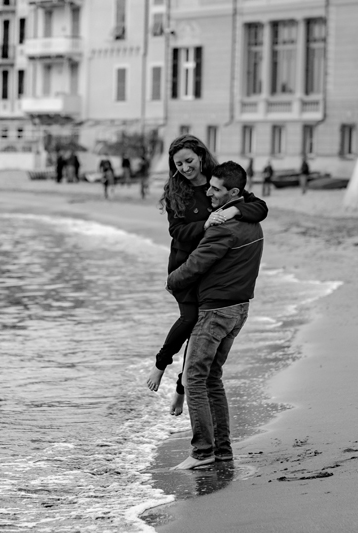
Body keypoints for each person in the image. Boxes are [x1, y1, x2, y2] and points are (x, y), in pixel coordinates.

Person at [145, 134, 267, 416]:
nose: (186, 168)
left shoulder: (218, 181)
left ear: (201, 156)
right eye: (179, 164)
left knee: (198, 333)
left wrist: (235, 209)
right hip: (184, 264)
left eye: (189, 161)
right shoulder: (175, 190)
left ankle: (180, 388)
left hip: (211, 268)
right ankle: (160, 364)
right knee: (189, 320)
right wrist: (206, 223)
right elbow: (176, 231)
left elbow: (259, 206)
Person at [166, 160, 265, 469]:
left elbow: (195, 265)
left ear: (233, 192)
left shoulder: (225, 228)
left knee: (195, 379)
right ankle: (221, 450)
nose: (208, 192)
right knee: (211, 379)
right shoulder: (251, 221)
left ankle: (203, 452)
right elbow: (256, 206)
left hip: (216, 311)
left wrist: (171, 282)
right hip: (238, 309)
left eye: (215, 188)